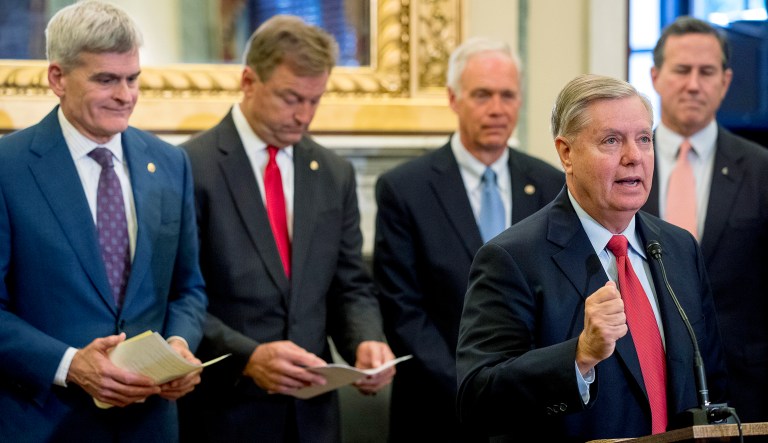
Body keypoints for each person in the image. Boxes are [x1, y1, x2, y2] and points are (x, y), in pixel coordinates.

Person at [456, 74, 728, 441]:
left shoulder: (679, 248)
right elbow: (479, 397)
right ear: (567, 153)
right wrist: (579, 356)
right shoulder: (512, 258)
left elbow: (711, 380)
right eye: (612, 141)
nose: (633, 157)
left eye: (644, 139)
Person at [177, 14, 396, 443]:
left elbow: (350, 286)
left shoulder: (333, 173)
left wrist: (366, 342)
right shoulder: (190, 167)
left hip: (312, 419)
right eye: (290, 98)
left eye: (315, 100)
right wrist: (246, 356)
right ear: (248, 81)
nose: (304, 116)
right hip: (224, 414)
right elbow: (176, 294)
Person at [0, 1, 208, 441]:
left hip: (149, 425)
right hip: (45, 422)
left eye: (133, 79)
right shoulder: (8, 169)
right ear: (58, 78)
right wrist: (70, 364)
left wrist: (179, 345)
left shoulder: (171, 164)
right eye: (106, 79)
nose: (125, 95)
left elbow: (188, 288)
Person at [373, 36, 563, 442]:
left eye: (507, 95)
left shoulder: (551, 184)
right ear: (453, 99)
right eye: (482, 95)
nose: (497, 109)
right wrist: (473, 388)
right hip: (436, 410)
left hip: (532, 413)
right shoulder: (405, 188)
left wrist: (528, 384)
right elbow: (403, 310)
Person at [641, 16, 768, 426]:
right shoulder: (626, 168)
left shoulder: (761, 169)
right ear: (656, 76)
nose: (693, 84)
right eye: (681, 70)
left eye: (706, 72)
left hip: (747, 390)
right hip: (645, 386)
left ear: (725, 81)